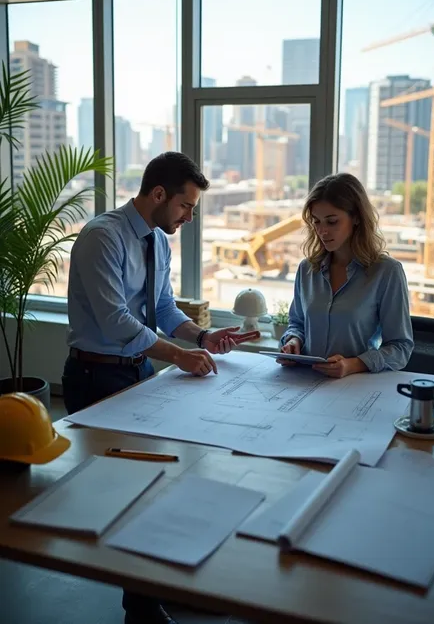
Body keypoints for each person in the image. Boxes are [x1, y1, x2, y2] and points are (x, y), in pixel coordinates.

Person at [62, 151, 259, 624]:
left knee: (154, 485)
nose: (189, 217)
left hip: (139, 373)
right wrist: (179, 356)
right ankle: (143, 606)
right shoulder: (102, 238)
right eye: (186, 207)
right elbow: (116, 323)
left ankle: (150, 594)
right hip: (97, 375)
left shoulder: (158, 240)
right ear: (157, 194)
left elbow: (165, 310)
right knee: (123, 494)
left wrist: (204, 337)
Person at [279, 172, 413, 377]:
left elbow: (400, 348)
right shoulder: (307, 269)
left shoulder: (386, 273)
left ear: (356, 218)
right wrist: (293, 342)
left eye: (332, 222)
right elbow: (297, 324)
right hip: (303, 385)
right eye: (316, 221)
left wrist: (353, 365)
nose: (322, 231)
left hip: (355, 390)